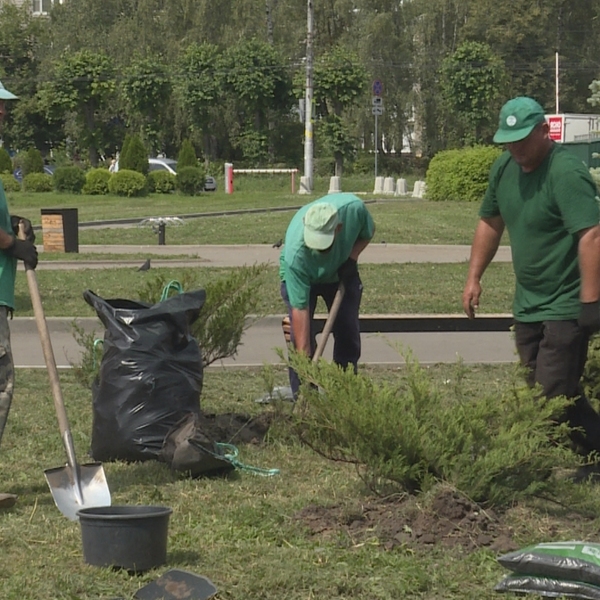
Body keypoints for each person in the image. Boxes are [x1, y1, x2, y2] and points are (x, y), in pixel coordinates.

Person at [462, 95, 600, 458]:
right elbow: (490, 223)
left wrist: (590, 302)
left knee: (549, 395)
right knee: (557, 393)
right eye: (509, 141)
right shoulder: (503, 169)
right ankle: (595, 453)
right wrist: (473, 277)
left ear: (544, 130)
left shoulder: (565, 172)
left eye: (523, 139)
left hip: (566, 303)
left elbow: (591, 235)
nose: (516, 148)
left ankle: (525, 462)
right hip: (528, 303)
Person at [280, 192, 375, 398]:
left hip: (341, 271)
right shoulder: (296, 257)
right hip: (304, 276)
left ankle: (343, 396)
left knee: (347, 333)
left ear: (338, 229)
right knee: (300, 343)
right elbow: (300, 310)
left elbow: (367, 233)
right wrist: (306, 363)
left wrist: (352, 257)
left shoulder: (354, 210)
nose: (318, 250)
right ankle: (305, 398)